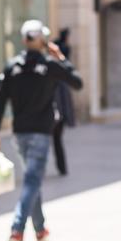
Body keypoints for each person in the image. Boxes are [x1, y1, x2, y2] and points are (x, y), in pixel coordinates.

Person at [0, 20, 82, 241]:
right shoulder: (50, 65)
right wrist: (61, 58)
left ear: (24, 40)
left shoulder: (13, 67)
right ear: (42, 41)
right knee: (32, 181)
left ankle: (40, 231)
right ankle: (17, 231)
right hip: (40, 132)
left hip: (20, 133)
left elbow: (0, 104)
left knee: (33, 180)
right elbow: (77, 82)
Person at [52, 28, 76, 175]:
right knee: (55, 139)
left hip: (54, 113)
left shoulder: (58, 75)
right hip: (47, 114)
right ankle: (62, 168)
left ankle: (62, 167)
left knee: (55, 139)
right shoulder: (48, 69)